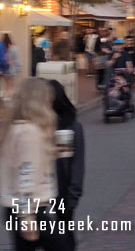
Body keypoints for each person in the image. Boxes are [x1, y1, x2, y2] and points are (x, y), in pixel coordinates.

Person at [0, 78, 67, 250]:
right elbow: (25, 175)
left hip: (15, 207)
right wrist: (27, 217)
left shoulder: (13, 128)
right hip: (29, 209)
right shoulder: (30, 132)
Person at [49, 80, 84, 251]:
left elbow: (75, 164)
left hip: (62, 192)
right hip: (44, 191)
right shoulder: (41, 124)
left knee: (64, 233)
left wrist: (73, 195)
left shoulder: (68, 127)